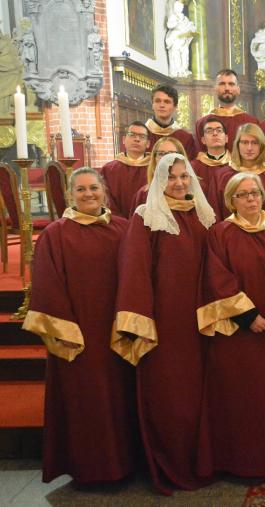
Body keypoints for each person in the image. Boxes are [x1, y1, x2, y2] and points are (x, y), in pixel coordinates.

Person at [111, 153, 216, 494]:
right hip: (165, 324)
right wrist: (142, 321)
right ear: (159, 180)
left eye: (184, 176)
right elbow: (135, 271)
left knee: (201, 395)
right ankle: (169, 463)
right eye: (172, 177)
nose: (179, 183)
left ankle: (202, 460)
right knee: (170, 395)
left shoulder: (203, 215)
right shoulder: (147, 217)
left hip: (201, 321)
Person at [22, 168, 134, 485]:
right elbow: (47, 285)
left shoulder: (123, 229)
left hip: (117, 328)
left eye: (94, 188)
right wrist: (65, 331)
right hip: (79, 333)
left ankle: (126, 463)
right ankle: (90, 469)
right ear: (70, 194)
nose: (88, 194)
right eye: (81, 189)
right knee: (86, 399)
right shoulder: (55, 235)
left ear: (104, 191)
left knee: (120, 396)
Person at [197, 172, 265, 479]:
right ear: (231, 201)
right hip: (239, 333)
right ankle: (242, 462)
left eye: (254, 192)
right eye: (242, 195)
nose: (250, 199)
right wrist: (248, 317)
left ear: (263, 195)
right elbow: (217, 278)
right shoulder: (220, 233)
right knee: (243, 399)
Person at [211, 123, 265, 219]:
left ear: (261, 145)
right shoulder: (221, 176)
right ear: (237, 145)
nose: (249, 148)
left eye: (254, 143)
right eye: (245, 142)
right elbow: (215, 214)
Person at [195, 69, 259, 152]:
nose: (227, 88)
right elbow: (200, 155)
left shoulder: (251, 122)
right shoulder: (202, 123)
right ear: (215, 89)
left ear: (238, 89)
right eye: (222, 84)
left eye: (231, 84)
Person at [101, 121, 151, 217]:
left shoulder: (155, 168)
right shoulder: (109, 169)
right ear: (123, 140)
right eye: (132, 135)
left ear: (148, 143)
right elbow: (106, 200)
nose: (137, 139)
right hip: (117, 223)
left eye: (142, 136)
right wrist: (121, 222)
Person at [129, 137, 190, 215]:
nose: (165, 158)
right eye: (161, 154)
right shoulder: (143, 194)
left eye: (171, 153)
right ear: (154, 158)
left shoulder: (194, 190)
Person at [146, 84, 197, 159]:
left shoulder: (185, 138)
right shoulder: (142, 134)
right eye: (157, 101)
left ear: (175, 107)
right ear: (152, 105)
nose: (162, 105)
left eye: (167, 102)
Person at [192, 117, 232, 188]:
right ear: (203, 140)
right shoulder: (194, 167)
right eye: (209, 131)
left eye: (219, 130)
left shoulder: (236, 164)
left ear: (226, 138)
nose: (215, 133)